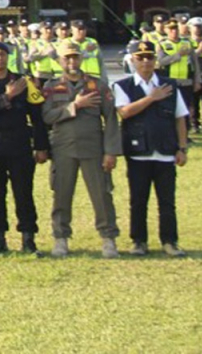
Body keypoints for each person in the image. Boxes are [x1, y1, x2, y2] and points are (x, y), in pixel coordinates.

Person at [0, 40, 50, 256]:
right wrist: (8, 96)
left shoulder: (24, 81)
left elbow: (37, 116)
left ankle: (28, 239)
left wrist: (41, 146)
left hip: (19, 143)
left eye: (2, 54)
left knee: (24, 193)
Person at [42, 40, 122, 259]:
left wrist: (111, 151)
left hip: (93, 147)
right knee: (61, 194)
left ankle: (108, 238)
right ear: (59, 60)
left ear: (81, 58)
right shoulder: (51, 86)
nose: (71, 61)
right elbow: (46, 116)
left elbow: (111, 120)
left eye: (75, 57)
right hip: (63, 148)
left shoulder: (97, 85)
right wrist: (74, 106)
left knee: (102, 195)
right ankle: (61, 237)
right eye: (66, 57)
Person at [113, 40, 189, 257]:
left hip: (165, 151)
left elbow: (180, 118)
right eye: (140, 58)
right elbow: (124, 112)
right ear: (132, 60)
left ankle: (170, 241)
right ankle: (138, 241)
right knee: (138, 200)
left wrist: (182, 148)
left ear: (156, 61)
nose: (145, 62)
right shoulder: (124, 85)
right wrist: (151, 98)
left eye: (149, 57)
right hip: (138, 152)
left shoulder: (170, 85)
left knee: (167, 201)